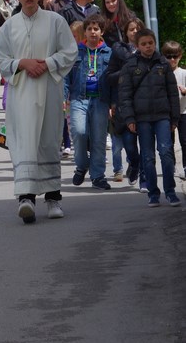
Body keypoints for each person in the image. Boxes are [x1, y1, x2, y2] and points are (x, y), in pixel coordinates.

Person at [0, 0, 78, 224]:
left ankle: (53, 198)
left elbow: (70, 51)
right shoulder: (9, 26)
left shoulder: (56, 22)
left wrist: (47, 64)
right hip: (21, 95)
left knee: (49, 141)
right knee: (24, 144)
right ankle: (26, 199)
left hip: (49, 90)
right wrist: (22, 63)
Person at [119, 29, 181, 207]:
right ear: (137, 46)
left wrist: (174, 119)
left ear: (155, 43)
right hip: (142, 118)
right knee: (147, 156)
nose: (148, 47)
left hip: (163, 117)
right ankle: (153, 193)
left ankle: (170, 192)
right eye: (144, 44)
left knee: (166, 153)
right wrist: (129, 118)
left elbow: (172, 94)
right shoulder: (130, 65)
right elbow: (125, 95)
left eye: (150, 43)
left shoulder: (163, 63)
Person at [65, 15, 113, 191]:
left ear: (102, 32)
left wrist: (114, 103)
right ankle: (82, 165)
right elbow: (66, 76)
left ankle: (98, 176)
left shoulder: (109, 52)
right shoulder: (75, 51)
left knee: (99, 139)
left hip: (100, 100)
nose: (93, 32)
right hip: (80, 98)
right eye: (90, 29)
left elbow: (113, 79)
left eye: (96, 29)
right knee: (79, 131)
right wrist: (64, 97)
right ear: (84, 31)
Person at [106, 18, 145, 187]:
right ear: (126, 33)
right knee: (129, 145)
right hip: (125, 104)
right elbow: (109, 77)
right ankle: (134, 164)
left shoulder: (149, 49)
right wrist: (126, 72)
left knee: (147, 145)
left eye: (137, 29)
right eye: (131, 29)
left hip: (146, 104)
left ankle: (144, 179)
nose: (135, 32)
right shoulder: (120, 50)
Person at [162, 41, 186, 180]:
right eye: (168, 56)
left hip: (183, 112)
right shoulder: (161, 73)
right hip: (167, 114)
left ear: (180, 56)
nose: (172, 59)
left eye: (175, 56)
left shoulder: (183, 73)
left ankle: (185, 166)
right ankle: (170, 167)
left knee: (184, 141)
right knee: (168, 143)